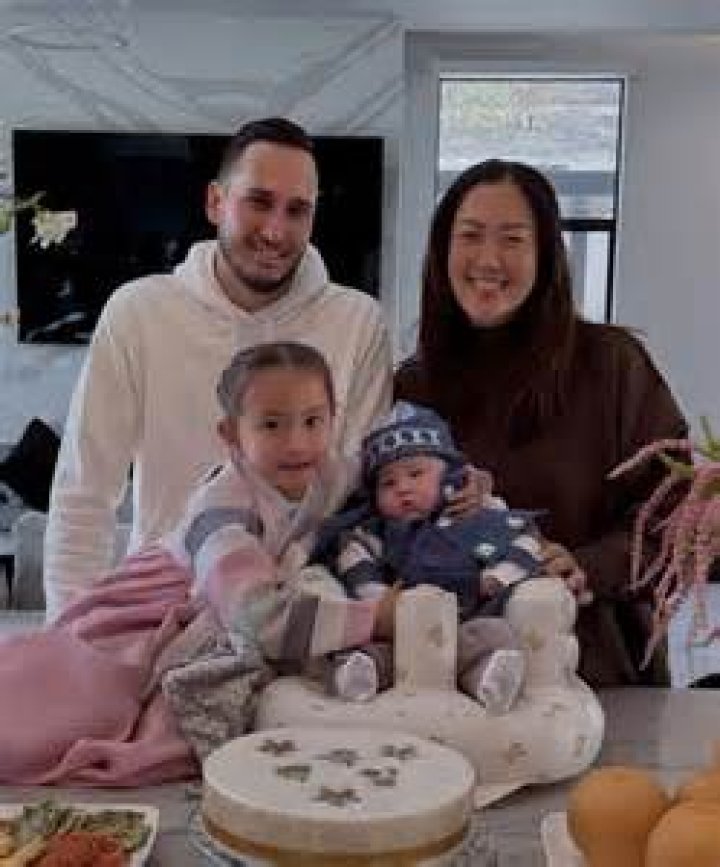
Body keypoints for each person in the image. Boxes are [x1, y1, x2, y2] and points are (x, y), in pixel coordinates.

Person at [43, 116, 393, 620]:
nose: (275, 230)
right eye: (259, 202)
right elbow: (84, 492)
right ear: (215, 202)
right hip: (161, 614)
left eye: (297, 210)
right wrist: (69, 630)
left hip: (306, 619)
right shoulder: (138, 313)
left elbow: (363, 492)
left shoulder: (358, 322)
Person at [0, 342, 396, 784]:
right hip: (155, 608)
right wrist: (374, 617)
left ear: (333, 419)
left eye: (313, 421)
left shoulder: (331, 472)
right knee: (81, 710)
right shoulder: (221, 506)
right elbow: (256, 617)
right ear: (231, 434)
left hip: (239, 601)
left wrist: (451, 487)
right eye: (271, 424)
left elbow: (404, 470)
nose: (297, 442)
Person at [394, 158, 689, 688]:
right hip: (449, 681)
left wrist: (587, 565)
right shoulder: (414, 386)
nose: (488, 259)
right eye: (470, 235)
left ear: (546, 254)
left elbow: (676, 514)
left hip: (596, 671)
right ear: (441, 251)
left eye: (512, 239)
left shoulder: (612, 365)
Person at [308, 401, 542, 713]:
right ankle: (362, 675)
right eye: (388, 483)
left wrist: (498, 577)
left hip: (465, 621)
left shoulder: (476, 517)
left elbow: (526, 542)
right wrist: (379, 602)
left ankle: (490, 679)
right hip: (398, 627)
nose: (403, 488)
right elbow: (356, 563)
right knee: (371, 650)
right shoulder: (375, 533)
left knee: (492, 635)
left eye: (416, 474)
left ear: (450, 478)